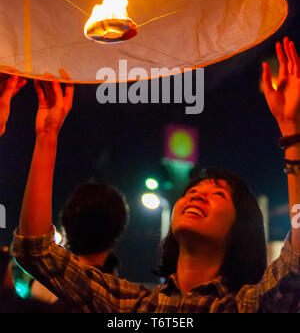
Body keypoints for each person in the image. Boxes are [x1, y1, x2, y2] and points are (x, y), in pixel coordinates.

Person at [10, 37, 300, 312]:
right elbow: (36, 251)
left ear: (242, 229)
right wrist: (46, 135)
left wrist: (292, 133)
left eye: (218, 194)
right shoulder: (131, 304)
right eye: (192, 192)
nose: (197, 194)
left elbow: (296, 263)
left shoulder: (247, 307)